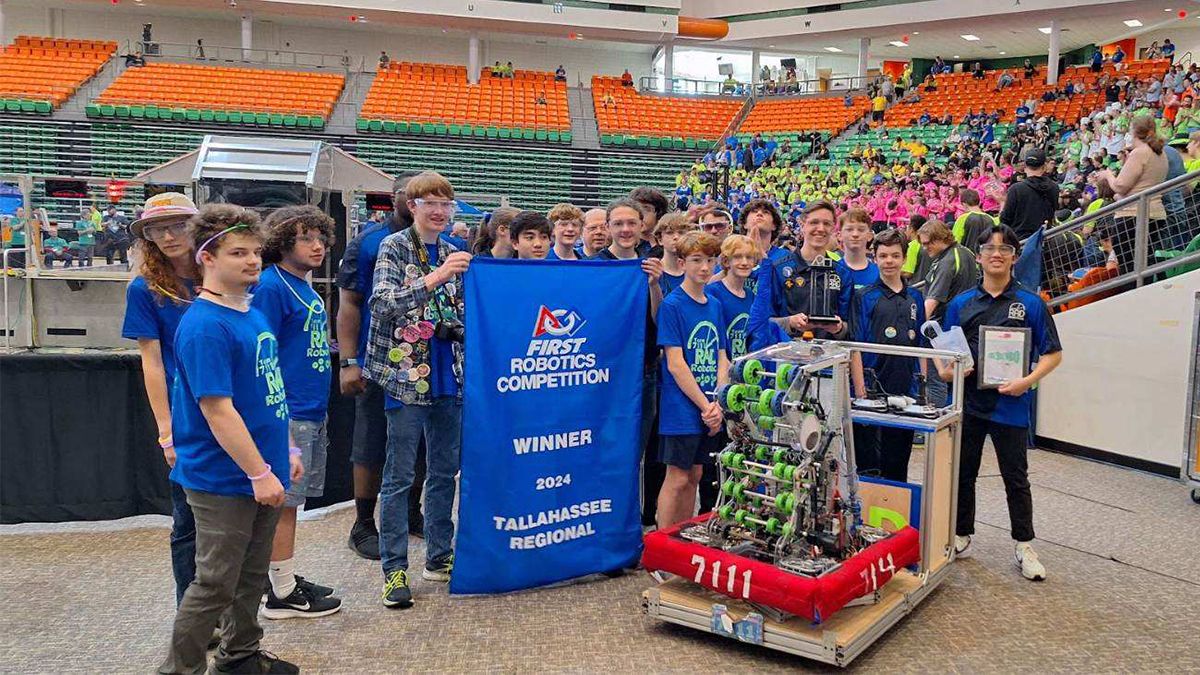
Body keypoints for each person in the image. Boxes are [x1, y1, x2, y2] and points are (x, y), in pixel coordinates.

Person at [158, 204, 302, 675]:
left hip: (263, 467)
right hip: (223, 477)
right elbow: (217, 410)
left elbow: (268, 391)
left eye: (256, 252)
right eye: (238, 252)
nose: (252, 261)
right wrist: (258, 472)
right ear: (207, 258)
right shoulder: (204, 326)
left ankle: (239, 656)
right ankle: (179, 669)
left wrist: (289, 450)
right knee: (215, 583)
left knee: (251, 576)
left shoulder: (251, 314)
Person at [367, 171, 470, 609]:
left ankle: (439, 556)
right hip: (406, 377)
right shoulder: (393, 246)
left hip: (451, 375)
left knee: (445, 473)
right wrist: (437, 277)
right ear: (412, 206)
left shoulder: (455, 251)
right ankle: (394, 571)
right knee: (399, 477)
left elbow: (466, 311)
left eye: (446, 203)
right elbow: (383, 304)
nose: (439, 210)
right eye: (430, 202)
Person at [939, 224, 1063, 582]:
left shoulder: (1031, 304)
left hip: (1010, 406)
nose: (997, 254)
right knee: (964, 473)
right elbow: (948, 361)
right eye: (990, 248)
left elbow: (1053, 354)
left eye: (1005, 249)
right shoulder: (960, 305)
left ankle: (1024, 544)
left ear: (1014, 256)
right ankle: (962, 534)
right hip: (968, 404)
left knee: (1016, 478)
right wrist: (951, 373)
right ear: (978, 257)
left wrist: (1026, 381)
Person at [252, 206, 342, 620]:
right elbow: (261, 351)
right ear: (283, 242)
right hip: (288, 412)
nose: (318, 245)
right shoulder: (272, 286)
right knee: (284, 503)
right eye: (306, 237)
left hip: (310, 408)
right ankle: (280, 591)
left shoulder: (302, 285)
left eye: (321, 237)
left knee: (293, 503)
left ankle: (281, 580)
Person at [335, 173, 427, 561]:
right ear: (396, 199)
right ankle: (362, 523)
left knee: (422, 442)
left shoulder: (443, 244)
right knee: (371, 441)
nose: (421, 204)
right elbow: (349, 303)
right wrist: (348, 361)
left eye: (432, 198)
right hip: (380, 360)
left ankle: (410, 511)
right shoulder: (368, 242)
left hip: (426, 362)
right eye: (414, 196)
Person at [122, 193, 201, 609]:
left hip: (231, 410)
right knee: (187, 519)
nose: (168, 236)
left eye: (177, 225)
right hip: (186, 417)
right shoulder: (145, 288)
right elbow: (151, 362)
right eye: (157, 229)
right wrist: (166, 431)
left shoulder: (220, 273)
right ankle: (191, 613)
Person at [591, 199, 665, 526]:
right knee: (606, 453)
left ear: (641, 227)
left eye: (631, 223)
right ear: (608, 227)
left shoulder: (650, 265)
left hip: (644, 374)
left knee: (634, 454)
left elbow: (659, 321)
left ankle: (624, 525)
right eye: (618, 223)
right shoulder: (595, 265)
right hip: (606, 377)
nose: (625, 229)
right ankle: (604, 521)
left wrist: (655, 286)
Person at [654, 230, 729, 530]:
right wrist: (703, 405)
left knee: (696, 475)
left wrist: (717, 401)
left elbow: (723, 355)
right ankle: (663, 541)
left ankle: (682, 539)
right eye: (696, 260)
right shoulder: (673, 305)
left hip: (710, 405)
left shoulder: (715, 304)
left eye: (710, 260)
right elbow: (675, 363)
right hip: (682, 406)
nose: (704, 267)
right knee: (678, 476)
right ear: (683, 262)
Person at [849, 229, 928, 481]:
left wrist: (922, 387)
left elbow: (922, 344)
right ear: (875, 258)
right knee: (869, 467)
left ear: (904, 258)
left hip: (905, 389)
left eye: (895, 255)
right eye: (883, 256)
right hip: (873, 390)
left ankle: (896, 517)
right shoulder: (864, 296)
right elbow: (855, 346)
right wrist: (861, 390)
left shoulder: (916, 297)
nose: (889, 261)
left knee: (898, 465)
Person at [747, 200, 852, 350]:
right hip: (786, 362)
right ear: (802, 225)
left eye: (827, 224)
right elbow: (762, 321)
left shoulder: (842, 273)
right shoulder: (779, 269)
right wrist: (790, 322)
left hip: (829, 362)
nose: (820, 229)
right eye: (814, 222)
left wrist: (839, 328)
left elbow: (852, 328)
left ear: (833, 228)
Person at [1094, 116, 1167, 273]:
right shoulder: (1160, 154)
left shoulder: (1140, 153)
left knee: (1130, 265)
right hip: (1155, 213)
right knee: (1143, 261)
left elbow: (1120, 186)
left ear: (1134, 132)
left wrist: (1107, 175)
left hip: (1133, 215)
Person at [1000, 148, 1059, 240]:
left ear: (1025, 166)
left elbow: (1005, 219)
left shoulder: (1016, 189)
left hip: (1021, 242)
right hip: (1045, 239)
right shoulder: (1054, 187)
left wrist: (1001, 203)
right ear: (1044, 166)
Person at [835, 208, 879, 292]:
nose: (855, 234)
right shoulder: (832, 272)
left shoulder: (880, 274)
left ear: (869, 236)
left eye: (861, 230)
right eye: (849, 229)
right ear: (839, 235)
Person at [655, 212, 693, 298]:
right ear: (660, 239)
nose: (676, 237)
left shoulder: (694, 271)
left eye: (681, 232)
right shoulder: (654, 272)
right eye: (669, 232)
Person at [953, 189, 997, 253]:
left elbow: (956, 240)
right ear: (979, 202)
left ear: (964, 204)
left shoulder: (962, 218)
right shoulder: (991, 219)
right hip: (985, 258)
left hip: (967, 258)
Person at [630, 186, 670, 257]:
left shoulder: (669, 246)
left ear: (659, 213)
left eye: (646, 209)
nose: (640, 214)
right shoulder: (624, 246)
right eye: (635, 208)